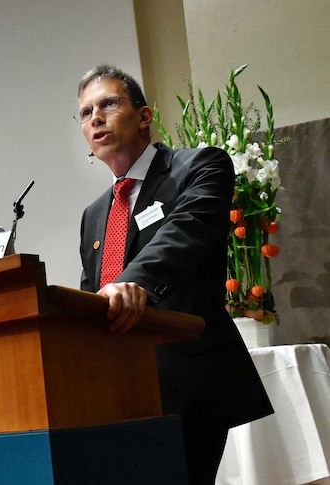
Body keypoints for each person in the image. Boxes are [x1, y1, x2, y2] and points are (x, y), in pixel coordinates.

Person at [74, 65, 273, 484]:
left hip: (185, 383)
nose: (95, 117)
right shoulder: (93, 214)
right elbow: (91, 293)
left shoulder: (199, 167)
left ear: (144, 116)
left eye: (109, 103)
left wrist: (134, 284)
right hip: (114, 392)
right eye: (86, 112)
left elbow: (184, 235)